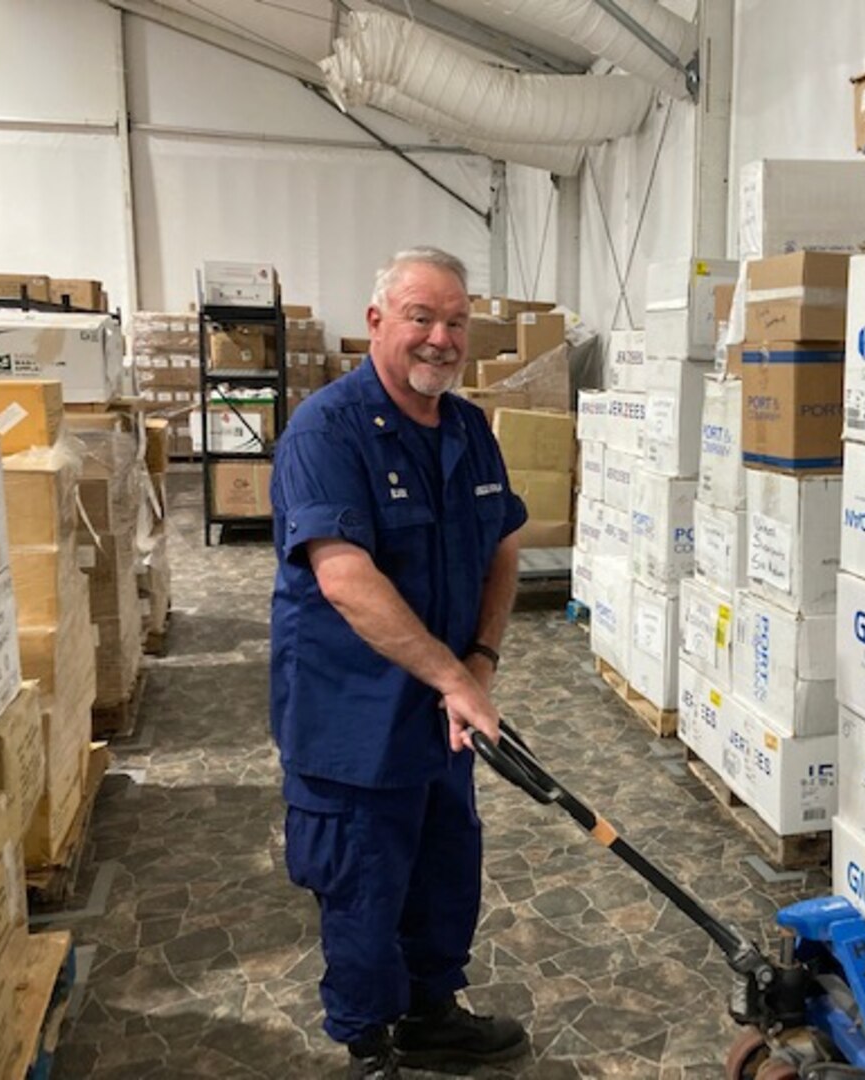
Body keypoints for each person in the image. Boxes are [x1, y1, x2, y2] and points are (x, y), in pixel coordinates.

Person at [269, 247, 529, 1078]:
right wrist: (456, 679)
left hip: (441, 712)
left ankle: (429, 1013)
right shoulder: (326, 431)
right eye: (421, 317)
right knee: (362, 884)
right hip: (353, 717)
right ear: (378, 321)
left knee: (445, 864)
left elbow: (506, 546)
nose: (440, 338)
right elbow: (344, 578)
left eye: (455, 322)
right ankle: (369, 1044)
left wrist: (479, 663)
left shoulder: (467, 429)